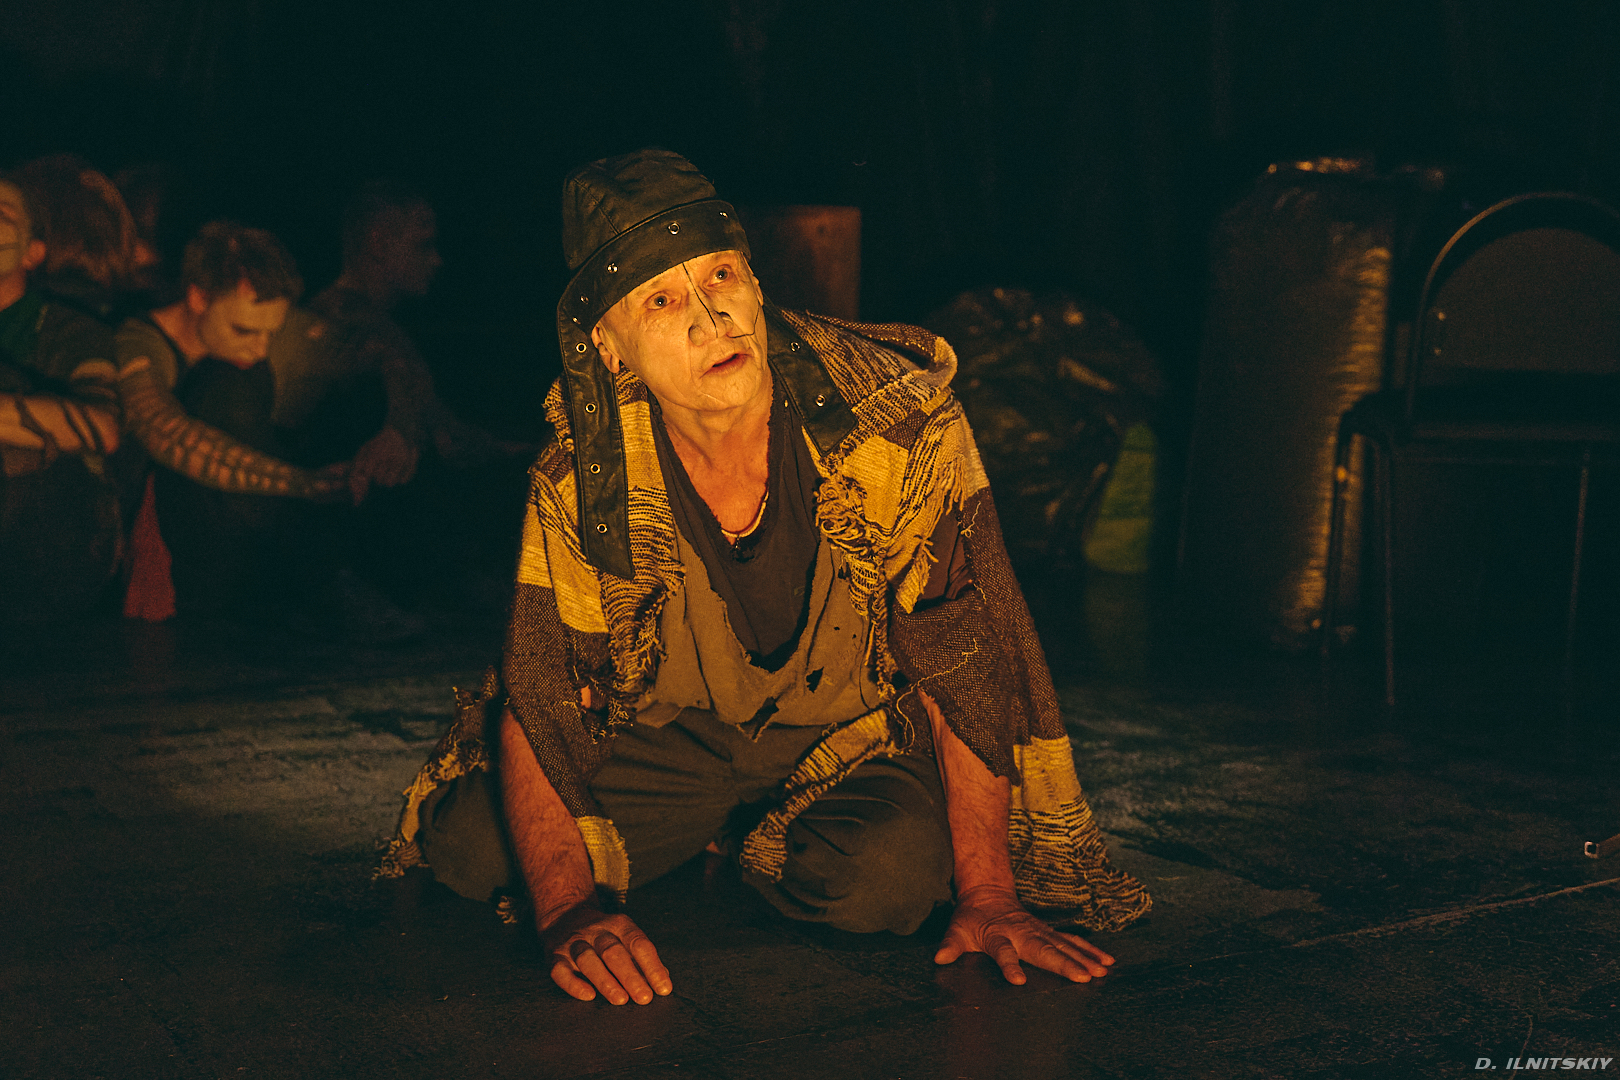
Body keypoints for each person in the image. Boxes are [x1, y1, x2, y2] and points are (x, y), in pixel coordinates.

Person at [379, 150, 1150, 1005]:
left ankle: (757, 838)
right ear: (609, 345)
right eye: (662, 300)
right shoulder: (585, 478)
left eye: (720, 276)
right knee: (471, 847)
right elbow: (544, 692)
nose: (711, 320)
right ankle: (704, 827)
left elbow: (962, 653)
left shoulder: (893, 421)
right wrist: (566, 910)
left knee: (883, 884)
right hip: (671, 735)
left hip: (851, 734)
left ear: (754, 283)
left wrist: (991, 895)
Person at [115, 222, 348, 620]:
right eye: (244, 331)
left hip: (227, 542)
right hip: (154, 547)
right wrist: (301, 484)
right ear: (198, 298)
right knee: (228, 388)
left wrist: (399, 429)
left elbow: (373, 347)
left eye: (271, 333)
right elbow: (165, 432)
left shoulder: (252, 333)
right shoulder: (138, 343)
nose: (260, 348)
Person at [0, 176, 123, 618]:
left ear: (33, 252)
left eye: (1, 214)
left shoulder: (69, 329)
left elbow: (104, 428)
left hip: (46, 552)